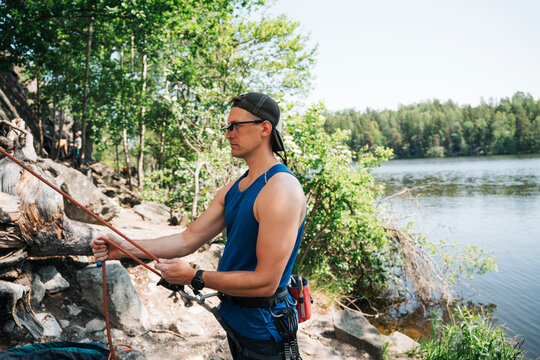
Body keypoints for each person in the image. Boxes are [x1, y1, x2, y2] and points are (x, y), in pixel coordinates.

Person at [91, 92, 306, 359]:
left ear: (264, 128)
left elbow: (266, 283)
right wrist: (124, 248)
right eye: (227, 127)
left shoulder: (281, 190)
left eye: (235, 126)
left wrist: (194, 277)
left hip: (266, 330)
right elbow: (186, 240)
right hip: (237, 323)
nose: (228, 134)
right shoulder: (234, 189)